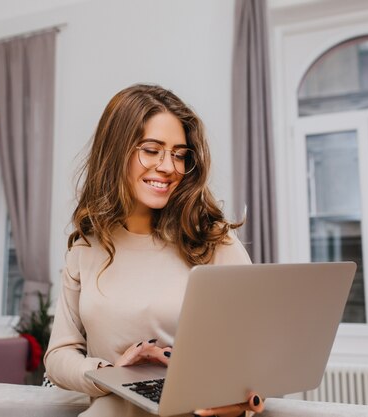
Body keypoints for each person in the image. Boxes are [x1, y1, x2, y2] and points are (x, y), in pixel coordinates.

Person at [44, 84, 264, 417]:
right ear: (116, 152)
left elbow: (257, 350)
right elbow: (58, 356)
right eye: (151, 150)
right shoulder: (86, 248)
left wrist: (239, 392)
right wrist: (110, 372)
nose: (168, 167)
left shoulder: (213, 241)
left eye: (179, 154)